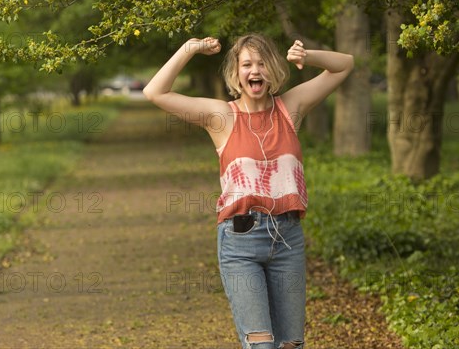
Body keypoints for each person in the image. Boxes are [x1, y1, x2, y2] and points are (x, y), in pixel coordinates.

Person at [143, 34, 353, 349]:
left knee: (290, 344)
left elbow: (344, 66)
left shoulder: (290, 109)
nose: (255, 70)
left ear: (273, 71)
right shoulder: (221, 117)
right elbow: (155, 91)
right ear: (237, 74)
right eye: (247, 64)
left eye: (262, 63)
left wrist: (307, 56)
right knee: (262, 344)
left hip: (288, 239)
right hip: (241, 241)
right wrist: (191, 49)